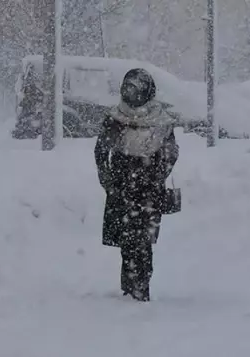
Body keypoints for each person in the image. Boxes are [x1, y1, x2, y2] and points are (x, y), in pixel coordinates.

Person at [94, 68, 179, 301]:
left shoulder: (160, 120)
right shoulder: (116, 118)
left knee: (142, 240)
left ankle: (140, 288)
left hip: (148, 190)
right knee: (126, 240)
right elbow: (101, 151)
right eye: (127, 88)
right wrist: (109, 182)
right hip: (121, 188)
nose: (131, 94)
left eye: (136, 89)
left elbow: (171, 152)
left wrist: (156, 175)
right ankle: (129, 289)